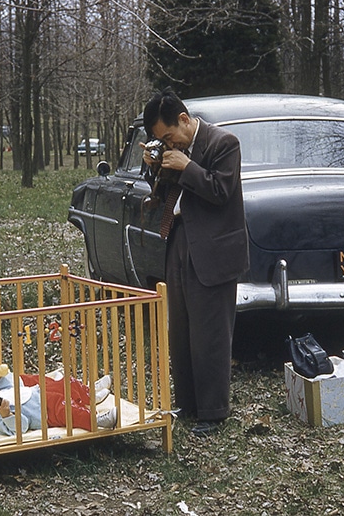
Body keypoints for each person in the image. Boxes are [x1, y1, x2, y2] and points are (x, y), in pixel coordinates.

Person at [141, 87, 249, 436]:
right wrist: (153, 168)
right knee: (183, 329)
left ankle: (214, 412)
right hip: (180, 240)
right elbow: (163, 193)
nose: (168, 144)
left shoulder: (223, 144)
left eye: (169, 136)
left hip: (214, 249)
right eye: (161, 141)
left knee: (211, 332)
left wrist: (187, 166)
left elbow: (220, 190)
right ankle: (188, 404)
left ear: (184, 120)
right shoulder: (176, 150)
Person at [0, 367, 116, 436]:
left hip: (38, 394)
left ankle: (89, 394)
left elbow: (12, 384)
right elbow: (20, 427)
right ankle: (97, 421)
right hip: (44, 411)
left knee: (65, 383)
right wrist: (7, 414)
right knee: (68, 410)